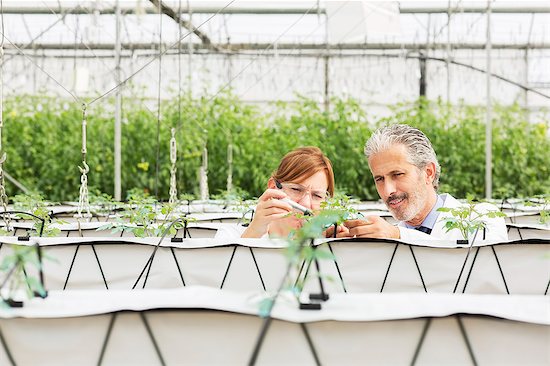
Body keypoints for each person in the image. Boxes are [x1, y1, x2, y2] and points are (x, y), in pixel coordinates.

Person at [329, 124, 508, 243]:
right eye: (379, 179)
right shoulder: (383, 237)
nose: (388, 190)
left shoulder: (484, 218)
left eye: (397, 174)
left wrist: (398, 236)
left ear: (428, 173)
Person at [215, 146, 335, 238]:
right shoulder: (229, 236)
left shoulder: (327, 244)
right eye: (296, 189)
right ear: (273, 187)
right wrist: (253, 234)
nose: (306, 204)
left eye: (317, 196)